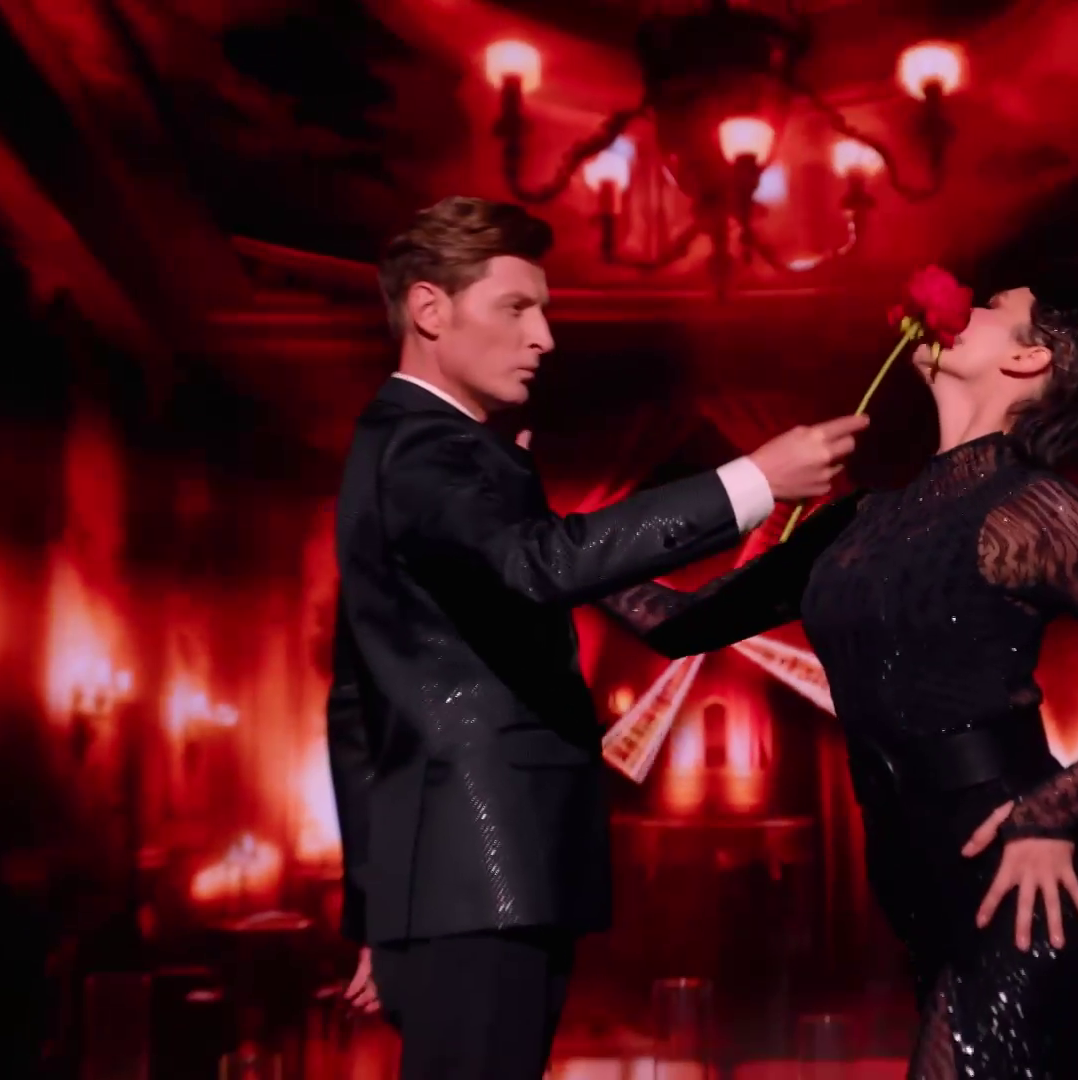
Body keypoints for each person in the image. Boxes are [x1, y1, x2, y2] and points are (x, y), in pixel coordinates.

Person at [601, 281, 1078, 1078]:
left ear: (1028, 359)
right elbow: (673, 622)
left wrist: (1050, 810)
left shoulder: (1034, 510)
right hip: (919, 884)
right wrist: (547, 544)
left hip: (1022, 888)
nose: (963, 303)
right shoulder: (859, 522)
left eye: (991, 305)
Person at [326, 196, 869, 1079]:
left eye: (543, 311)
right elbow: (539, 565)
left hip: (468, 884)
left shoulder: (430, 450)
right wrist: (752, 480)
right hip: (482, 874)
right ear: (429, 309)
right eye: (516, 307)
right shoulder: (425, 450)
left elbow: (359, 706)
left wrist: (380, 914)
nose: (543, 337)